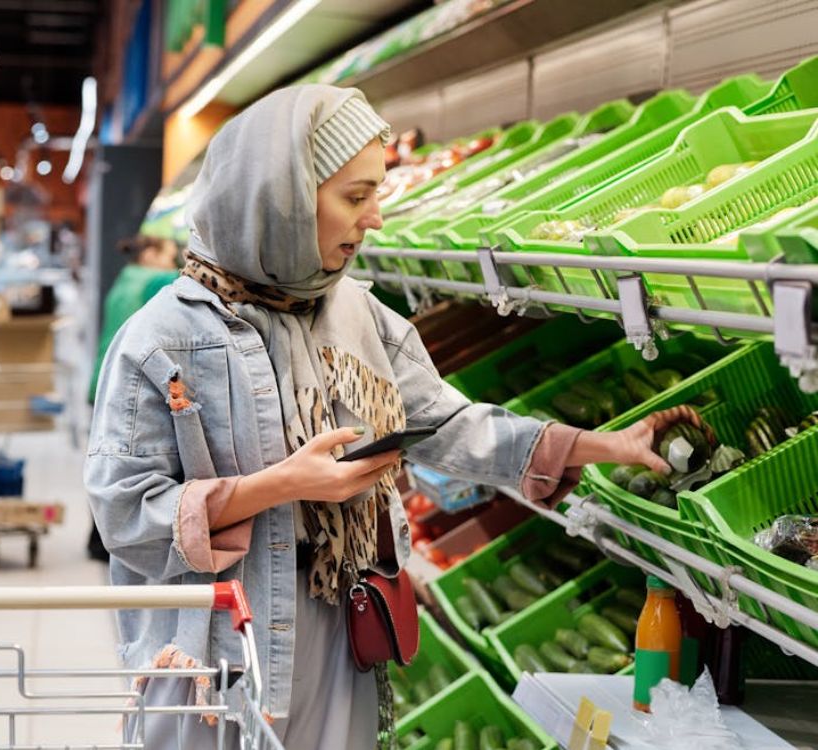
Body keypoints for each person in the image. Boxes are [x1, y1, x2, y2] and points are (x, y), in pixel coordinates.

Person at [84, 85, 700, 748]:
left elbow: (449, 423)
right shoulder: (161, 340)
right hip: (219, 650)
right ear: (282, 199)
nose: (375, 218)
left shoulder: (359, 316)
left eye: (378, 193)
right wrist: (286, 485)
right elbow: (125, 515)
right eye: (354, 197)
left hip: (339, 628)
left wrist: (604, 444)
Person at [86, 234, 180, 561]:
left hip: (102, 377)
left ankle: (97, 539)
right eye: (171, 255)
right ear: (151, 254)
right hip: (125, 384)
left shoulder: (125, 278)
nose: (175, 262)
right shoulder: (155, 281)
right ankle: (108, 542)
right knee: (126, 471)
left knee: (106, 463)